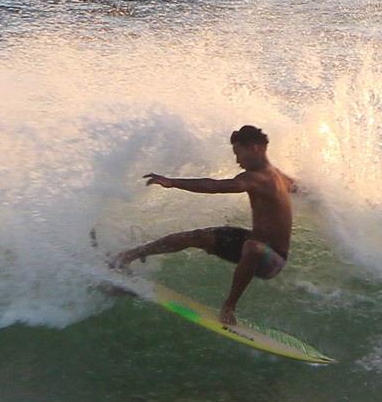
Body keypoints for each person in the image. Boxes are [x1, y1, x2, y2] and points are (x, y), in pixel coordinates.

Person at [114, 125, 293, 325]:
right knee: (196, 236)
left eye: (238, 154)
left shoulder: (256, 178)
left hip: (273, 259)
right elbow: (299, 188)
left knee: (252, 247)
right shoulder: (280, 176)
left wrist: (172, 182)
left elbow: (215, 186)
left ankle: (229, 306)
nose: (238, 161)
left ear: (254, 148)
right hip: (254, 241)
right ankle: (127, 256)